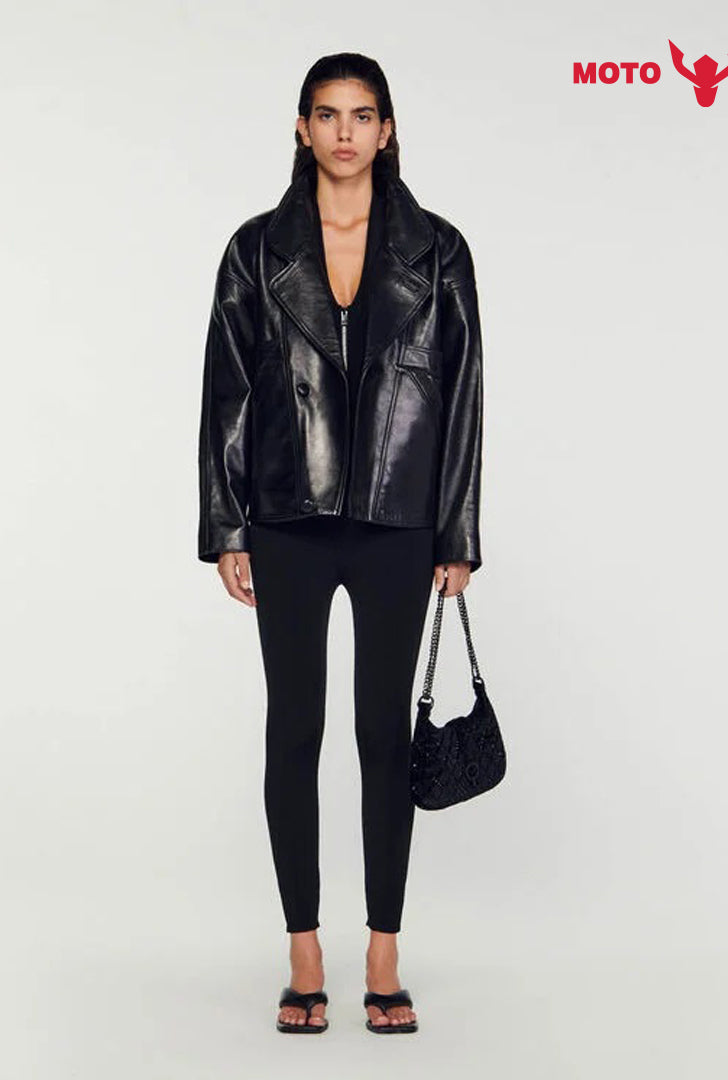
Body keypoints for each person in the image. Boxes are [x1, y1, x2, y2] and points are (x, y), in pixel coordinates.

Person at [196, 52, 485, 1034]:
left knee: (381, 736)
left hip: (400, 522)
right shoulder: (256, 250)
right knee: (294, 729)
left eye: (363, 115)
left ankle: (385, 951)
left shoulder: (439, 252)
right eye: (328, 115)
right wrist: (227, 525)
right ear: (303, 128)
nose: (346, 132)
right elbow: (227, 393)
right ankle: (304, 950)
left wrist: (457, 532)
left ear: (388, 130)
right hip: (288, 518)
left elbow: (464, 397)